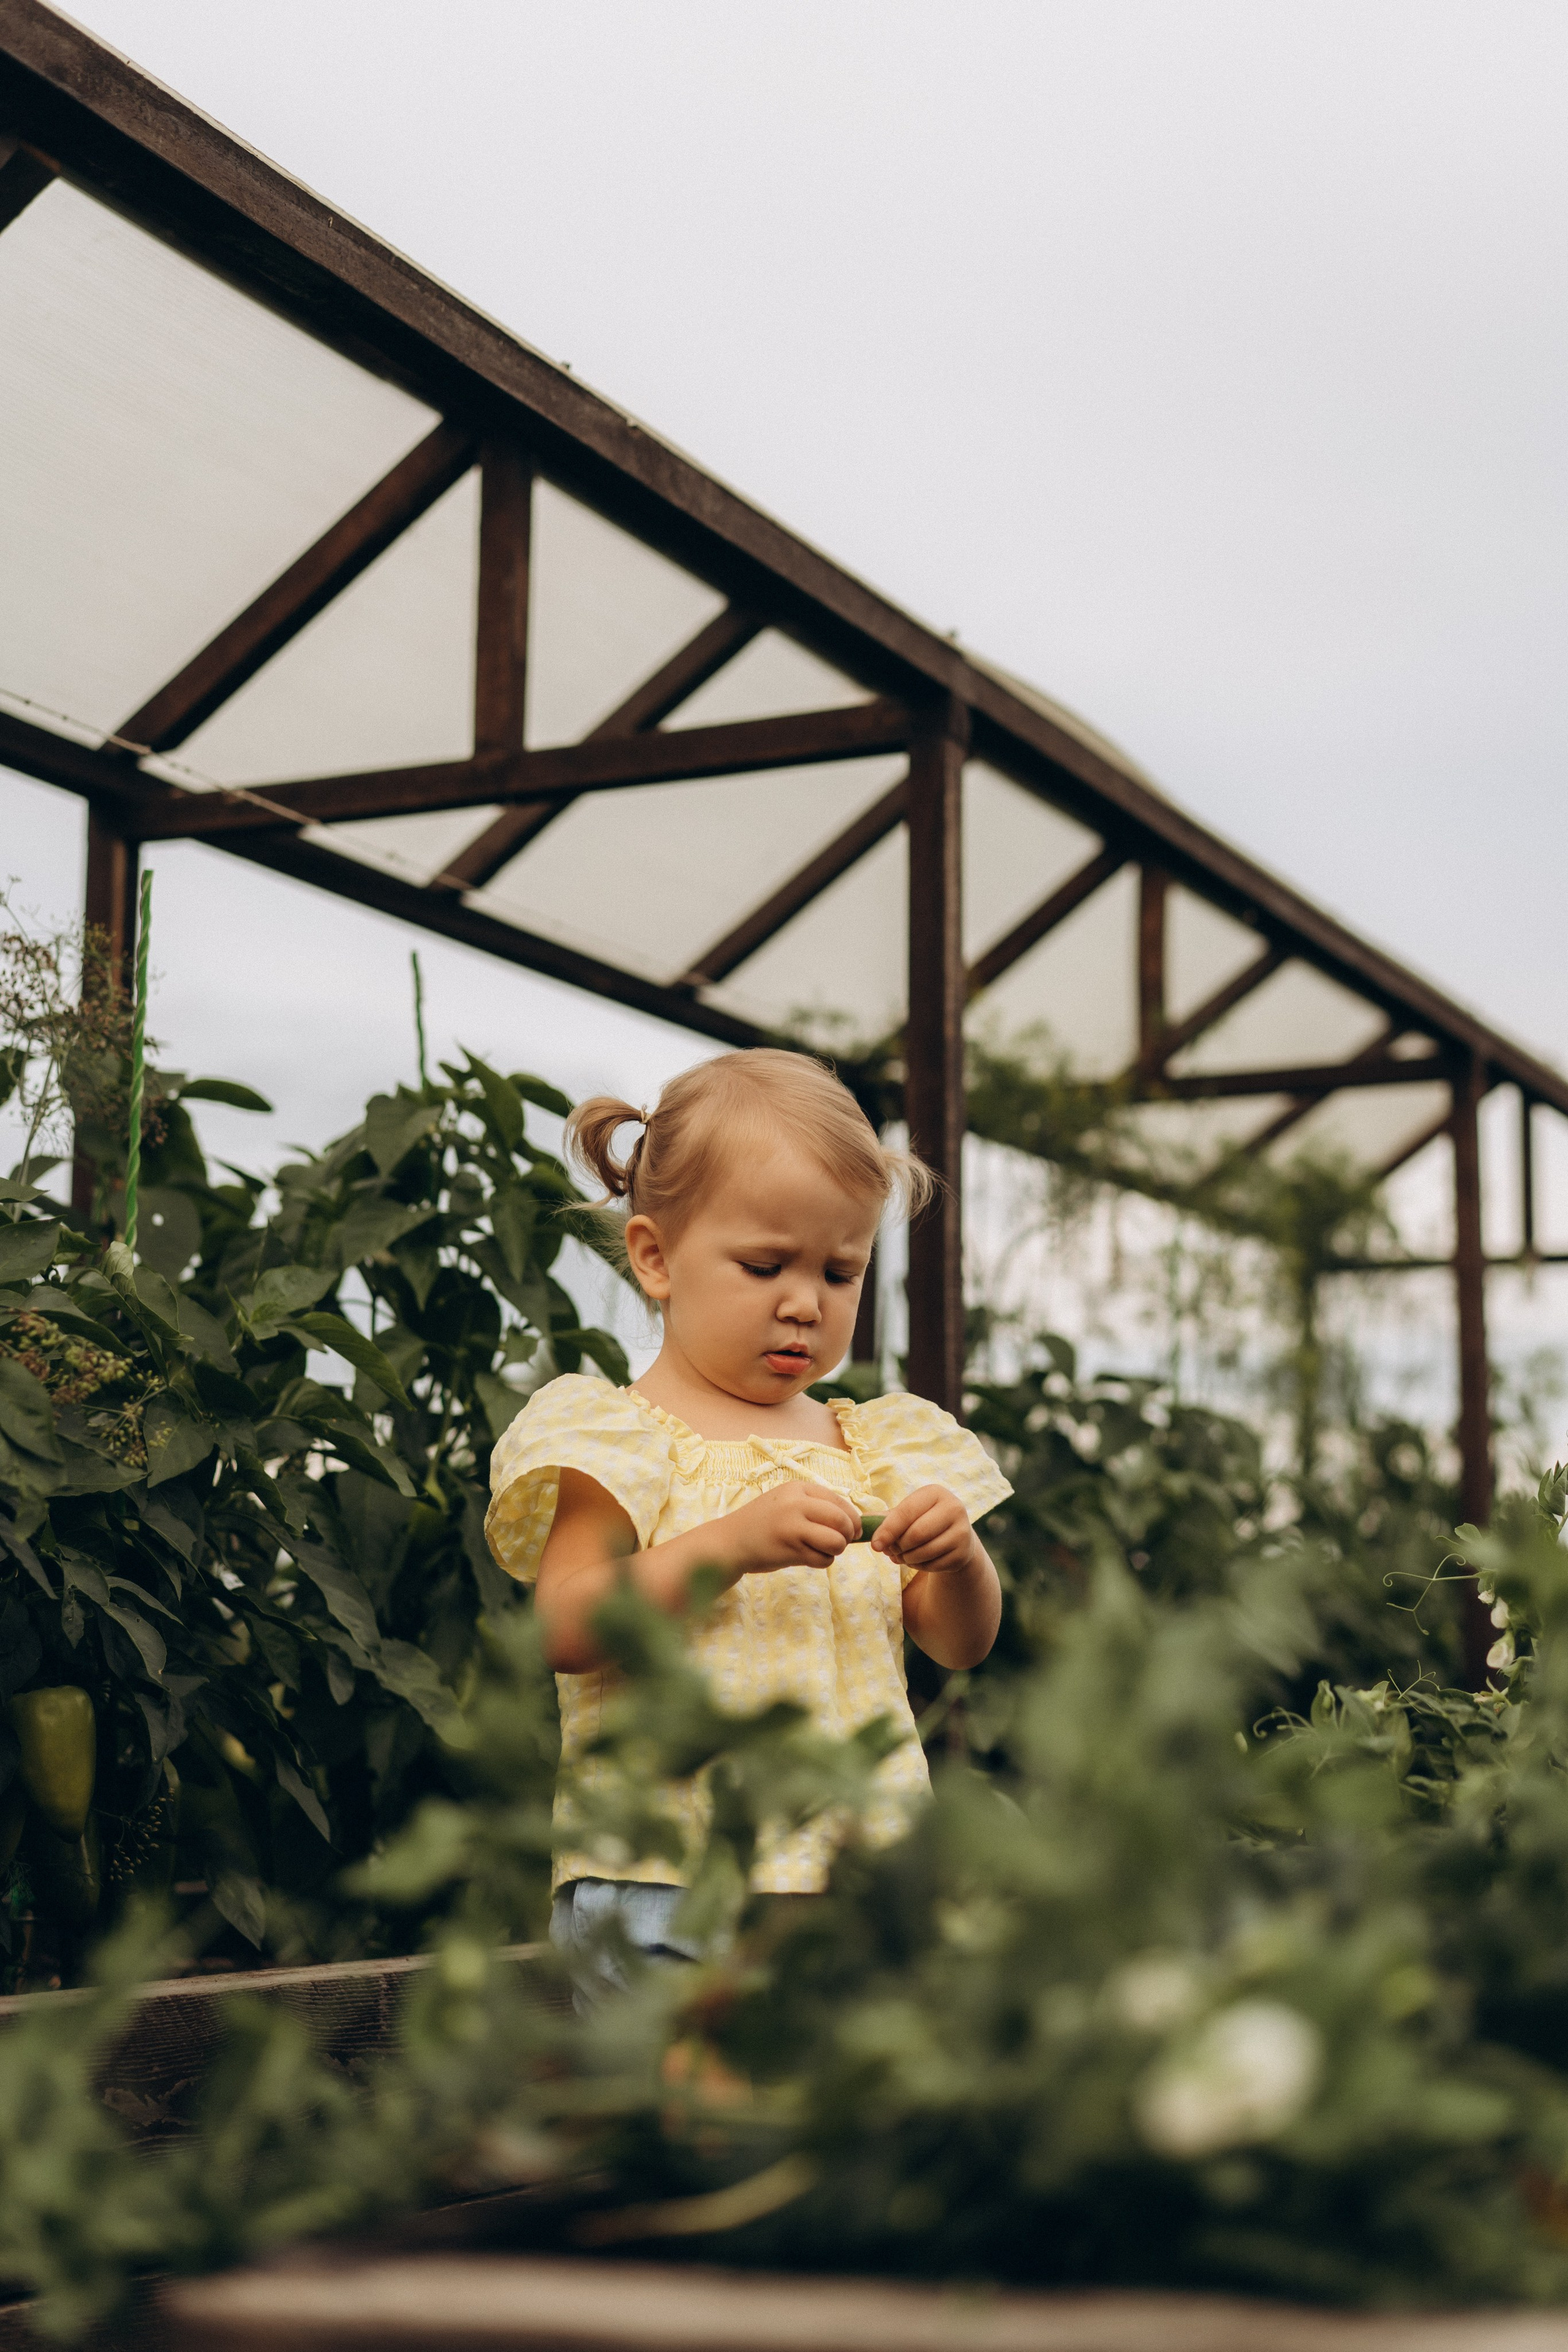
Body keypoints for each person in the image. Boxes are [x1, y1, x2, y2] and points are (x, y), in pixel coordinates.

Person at [484, 1049, 1011, 1998]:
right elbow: (565, 1625)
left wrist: (960, 1559)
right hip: (671, 1880)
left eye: (841, 1272)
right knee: (693, 2095)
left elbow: (958, 1642)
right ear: (656, 1258)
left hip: (857, 1885)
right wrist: (728, 1545)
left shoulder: (873, 1446)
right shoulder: (621, 1437)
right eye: (765, 1266)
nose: (805, 1303)